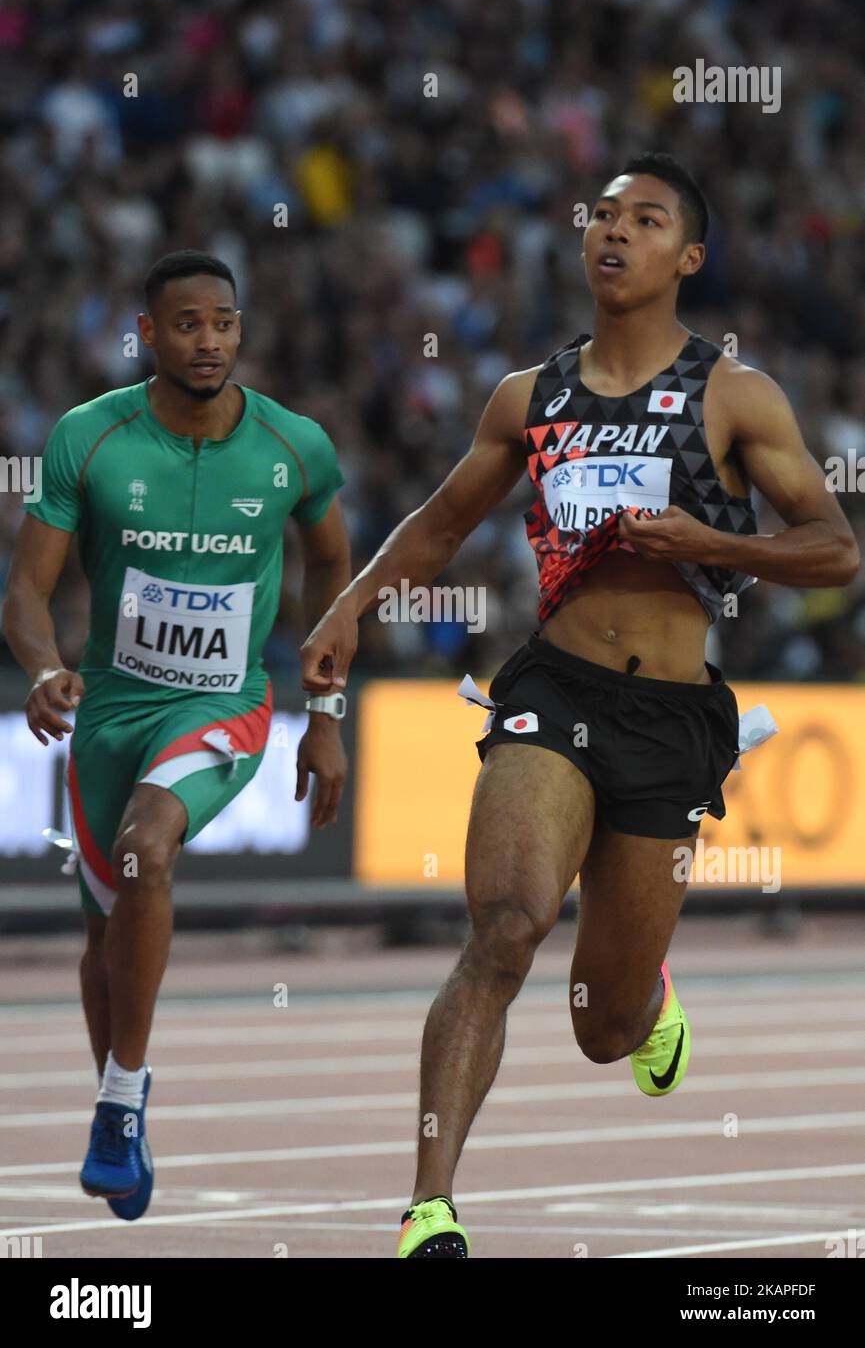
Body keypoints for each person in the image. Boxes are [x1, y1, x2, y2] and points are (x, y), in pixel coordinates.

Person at [298, 153, 859, 1258]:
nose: (613, 232)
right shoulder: (529, 396)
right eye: (601, 215)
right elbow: (443, 521)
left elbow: (836, 549)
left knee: (601, 1029)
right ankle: (429, 1209)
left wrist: (710, 543)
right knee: (503, 927)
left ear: (686, 258)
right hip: (552, 687)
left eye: (644, 220)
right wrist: (350, 606)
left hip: (670, 716)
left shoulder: (735, 396)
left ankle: (644, 997)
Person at [2, 250, 351, 1221]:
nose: (210, 341)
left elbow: (334, 573)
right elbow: (26, 587)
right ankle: (123, 1095)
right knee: (100, 929)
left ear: (241, 330)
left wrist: (322, 713)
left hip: (223, 702)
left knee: (145, 849)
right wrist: (40, 668)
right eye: (188, 324)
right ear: (147, 334)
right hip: (111, 706)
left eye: (225, 323)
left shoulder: (294, 447)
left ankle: (118, 1099)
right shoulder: (89, 437)